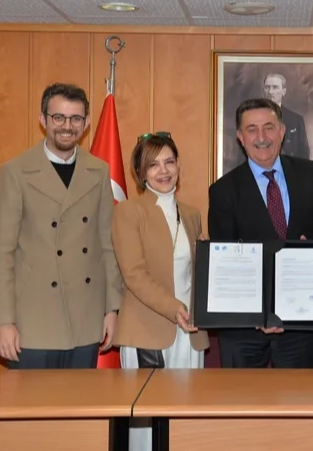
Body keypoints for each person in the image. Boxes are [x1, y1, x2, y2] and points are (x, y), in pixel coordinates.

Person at [0, 83, 122, 369]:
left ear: (86, 123)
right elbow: (0, 254)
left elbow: (107, 246)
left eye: (75, 118)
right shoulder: (16, 172)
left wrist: (112, 308)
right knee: (30, 400)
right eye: (58, 117)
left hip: (85, 321)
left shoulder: (99, 171)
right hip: (32, 325)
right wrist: (3, 321)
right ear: (43, 120)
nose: (67, 126)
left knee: (80, 400)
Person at [208, 98, 313, 368]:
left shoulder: (308, 173)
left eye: (269, 127)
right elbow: (226, 261)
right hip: (244, 329)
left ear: (282, 131)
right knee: (239, 395)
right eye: (252, 129)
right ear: (240, 137)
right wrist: (259, 315)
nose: (261, 137)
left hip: (299, 322)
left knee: (298, 394)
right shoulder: (223, 190)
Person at [111, 132, 208, 450]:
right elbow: (133, 274)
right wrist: (175, 308)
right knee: (146, 427)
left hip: (189, 332)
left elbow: (197, 274)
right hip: (147, 331)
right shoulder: (129, 212)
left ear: (178, 166)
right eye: (153, 165)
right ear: (140, 172)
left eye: (169, 162)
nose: (163, 171)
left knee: (184, 416)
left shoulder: (192, 214)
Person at [263, 73, 311, 159]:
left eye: (275, 87)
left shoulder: (296, 120)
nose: (270, 92)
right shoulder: (252, 118)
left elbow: (303, 154)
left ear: (283, 92)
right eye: (267, 87)